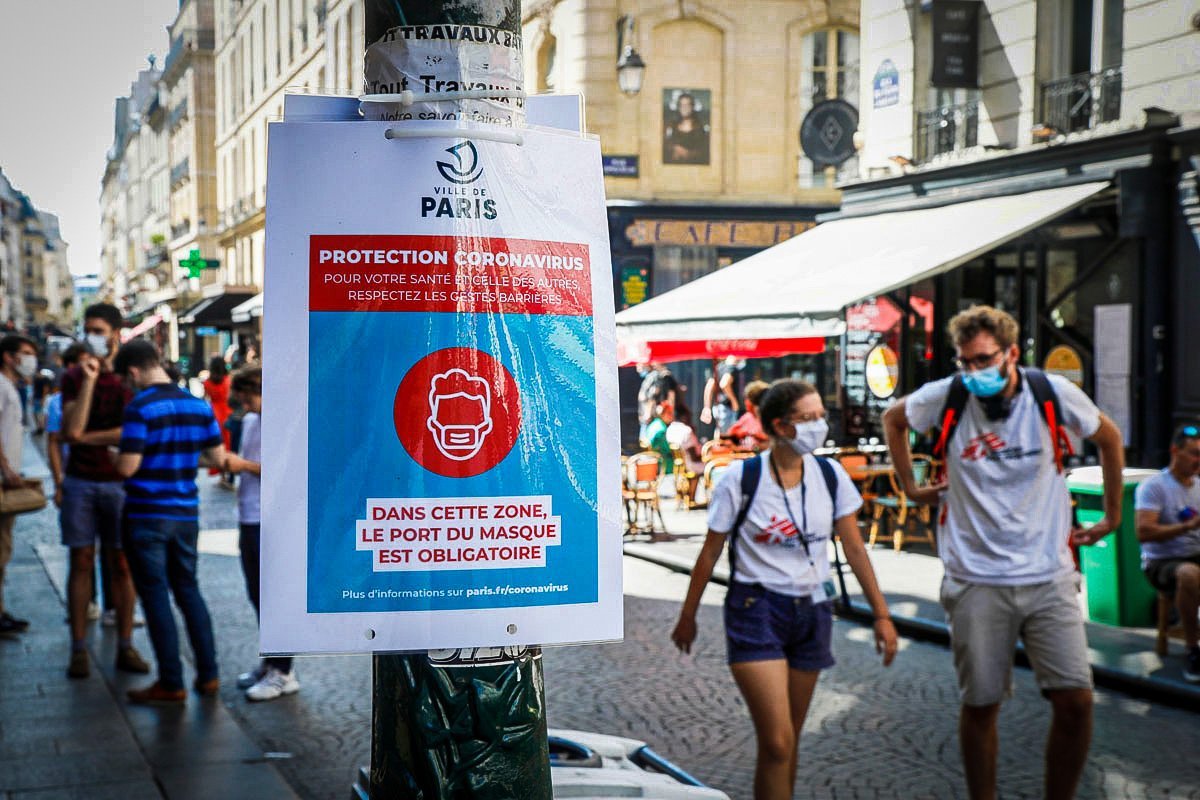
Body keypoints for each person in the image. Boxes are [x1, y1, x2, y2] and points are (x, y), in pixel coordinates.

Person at [882, 305, 1124, 800]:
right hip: (975, 579)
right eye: (965, 361)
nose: (974, 372)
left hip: (1048, 575)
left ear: (1012, 354)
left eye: (984, 360)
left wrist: (1113, 516)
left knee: (1076, 702)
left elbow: (1109, 437)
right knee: (981, 705)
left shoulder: (1050, 393)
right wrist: (911, 486)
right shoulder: (948, 395)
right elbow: (893, 418)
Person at [672, 379, 897, 800]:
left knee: (788, 739)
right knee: (777, 741)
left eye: (820, 416)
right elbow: (709, 552)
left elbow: (855, 549)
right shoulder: (741, 479)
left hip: (813, 610)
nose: (819, 425)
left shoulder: (830, 476)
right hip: (756, 609)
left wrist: (881, 615)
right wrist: (688, 616)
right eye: (808, 418)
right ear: (780, 425)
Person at [113, 339, 226, 705]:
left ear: (133, 371)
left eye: (126, 379)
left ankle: (171, 681)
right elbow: (217, 458)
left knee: (156, 595)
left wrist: (116, 456)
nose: (128, 386)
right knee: (189, 591)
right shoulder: (197, 404)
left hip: (147, 514)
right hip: (185, 514)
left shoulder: (140, 407)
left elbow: (128, 467)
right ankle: (209, 675)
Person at [60, 305, 147, 679]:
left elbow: (130, 433)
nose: (91, 336)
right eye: (88, 330)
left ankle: (126, 645)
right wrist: (89, 382)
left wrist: (85, 437)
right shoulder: (73, 376)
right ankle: (78, 649)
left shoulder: (129, 378)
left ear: (115, 333)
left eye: (98, 330)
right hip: (80, 480)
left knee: (122, 565)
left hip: (119, 482)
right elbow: (70, 429)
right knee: (80, 561)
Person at [226, 366, 299, 701]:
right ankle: (271, 662)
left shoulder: (282, 421)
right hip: (249, 514)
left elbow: (286, 470)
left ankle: (283, 670)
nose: (246, 405)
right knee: (257, 593)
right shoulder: (251, 421)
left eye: (249, 398)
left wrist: (242, 466)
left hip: (270, 517)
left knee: (274, 597)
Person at [1134, 422, 1200, 682]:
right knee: (1189, 574)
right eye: (1194, 453)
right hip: (1162, 562)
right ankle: (1193, 650)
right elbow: (1144, 532)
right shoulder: (1154, 486)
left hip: (1195, 554)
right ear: (1175, 451)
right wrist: (1187, 526)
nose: (1198, 460)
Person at [0, 334, 39, 636]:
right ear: (8, 356)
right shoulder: (1, 386)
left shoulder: (11, 386)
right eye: (25, 353)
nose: (30, 360)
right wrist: (6, 468)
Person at [666, 403, 704, 503]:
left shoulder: (670, 429)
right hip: (690, 464)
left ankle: (688, 495)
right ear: (684, 417)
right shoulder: (686, 431)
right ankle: (693, 497)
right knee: (713, 466)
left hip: (679, 463)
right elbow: (694, 456)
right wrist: (706, 456)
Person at [203, 356, 232, 481]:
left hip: (214, 414)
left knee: (218, 444)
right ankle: (229, 473)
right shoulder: (228, 380)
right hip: (227, 413)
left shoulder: (207, 383)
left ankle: (222, 475)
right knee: (229, 444)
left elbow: (205, 399)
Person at [663, 91, 711, 165]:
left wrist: (685, 153)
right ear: (678, 107)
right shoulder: (672, 126)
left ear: (692, 107)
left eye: (687, 105)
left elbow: (704, 152)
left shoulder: (699, 128)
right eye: (682, 105)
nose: (684, 108)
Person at [701, 357, 742, 437]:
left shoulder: (719, 367)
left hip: (719, 408)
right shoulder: (731, 367)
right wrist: (733, 401)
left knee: (719, 435)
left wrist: (707, 407)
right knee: (726, 437)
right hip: (727, 409)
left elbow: (709, 386)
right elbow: (724, 384)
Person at [727, 380, 771, 451]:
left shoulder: (769, 418)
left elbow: (771, 444)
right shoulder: (747, 417)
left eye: (747, 399)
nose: (745, 402)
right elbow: (731, 433)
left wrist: (753, 438)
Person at [641, 401, 675, 475]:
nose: (671, 417)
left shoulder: (654, 423)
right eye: (669, 414)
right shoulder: (661, 429)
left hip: (651, 458)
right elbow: (665, 449)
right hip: (660, 462)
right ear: (662, 414)